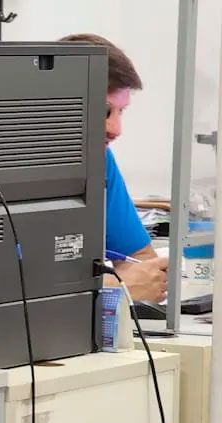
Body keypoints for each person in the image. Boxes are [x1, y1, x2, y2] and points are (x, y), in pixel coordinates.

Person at [61, 33, 168, 302]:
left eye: (122, 112)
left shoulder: (100, 160)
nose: (116, 129)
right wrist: (115, 287)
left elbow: (142, 263)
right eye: (105, 111)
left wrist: (117, 284)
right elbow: (9, 284)